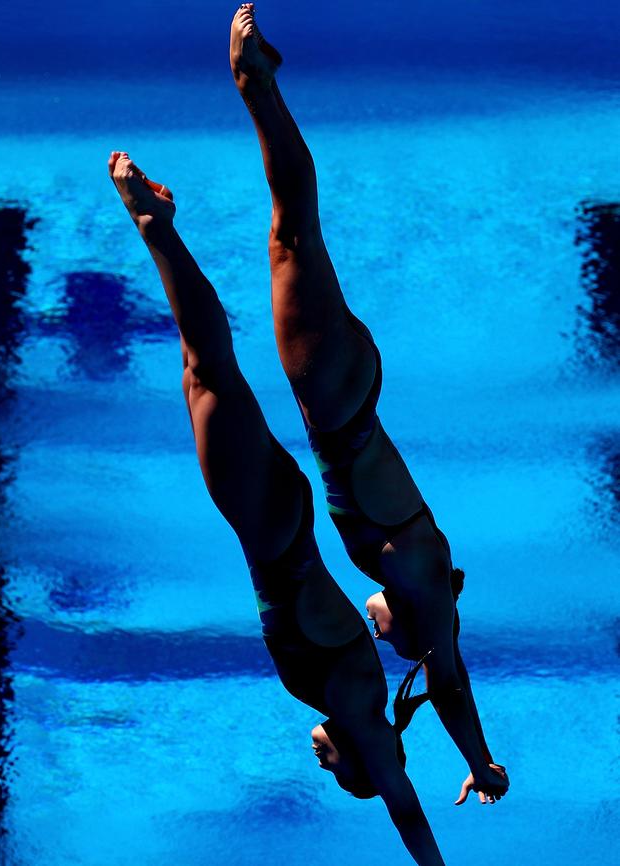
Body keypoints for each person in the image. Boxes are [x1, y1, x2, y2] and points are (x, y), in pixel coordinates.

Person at [108, 150, 446, 865]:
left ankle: (158, 230)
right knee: (205, 374)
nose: (322, 764)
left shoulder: (349, 695)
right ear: (366, 760)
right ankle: (155, 228)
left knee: (201, 377)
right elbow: (404, 803)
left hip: (275, 522)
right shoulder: (359, 709)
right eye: (339, 772)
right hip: (272, 527)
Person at [229, 4, 509, 804]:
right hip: (337, 396)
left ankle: (261, 86)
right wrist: (479, 761)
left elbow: (440, 681)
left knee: (295, 243)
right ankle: (256, 85)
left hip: (344, 396)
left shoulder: (423, 595)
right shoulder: (423, 597)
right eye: (387, 634)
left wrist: (470, 753)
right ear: (417, 631)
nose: (370, 622)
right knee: (292, 237)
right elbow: (448, 683)